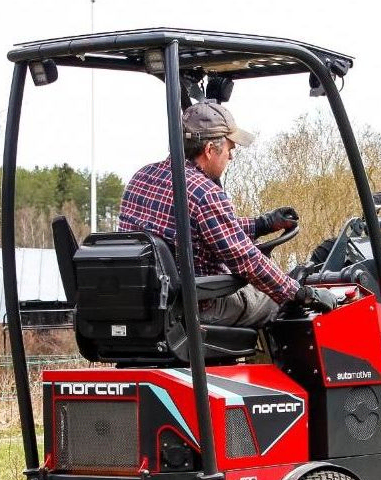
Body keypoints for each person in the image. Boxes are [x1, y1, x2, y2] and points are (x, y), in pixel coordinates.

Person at [117, 101, 336, 327]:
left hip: (147, 303)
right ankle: (287, 363)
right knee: (275, 301)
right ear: (210, 150)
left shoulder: (142, 177)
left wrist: (262, 224)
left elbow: (200, 228)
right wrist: (301, 293)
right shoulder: (204, 193)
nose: (231, 157)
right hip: (196, 308)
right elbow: (246, 260)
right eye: (230, 149)